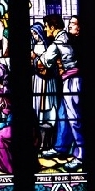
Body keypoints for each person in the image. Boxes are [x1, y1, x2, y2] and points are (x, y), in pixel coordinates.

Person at [39, 14, 83, 172]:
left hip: (72, 82)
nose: (45, 30)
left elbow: (43, 61)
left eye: (46, 27)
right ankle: (60, 147)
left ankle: (81, 154)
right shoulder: (66, 37)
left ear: (52, 27)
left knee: (74, 118)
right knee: (63, 115)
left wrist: (35, 59)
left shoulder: (58, 42)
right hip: (71, 80)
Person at [30, 22, 59, 152]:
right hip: (37, 80)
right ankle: (40, 142)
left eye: (36, 33)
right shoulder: (34, 45)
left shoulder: (49, 46)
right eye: (32, 34)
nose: (34, 36)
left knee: (48, 109)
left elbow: (49, 63)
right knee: (39, 110)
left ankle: (49, 143)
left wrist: (36, 58)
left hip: (47, 81)